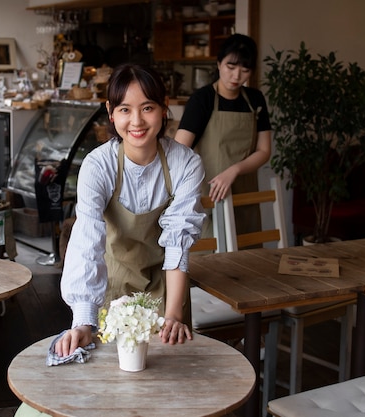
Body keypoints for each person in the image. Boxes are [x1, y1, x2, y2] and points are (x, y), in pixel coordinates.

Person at [54, 63, 206, 357]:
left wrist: (173, 313)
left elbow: (177, 242)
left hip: (166, 289)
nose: (136, 121)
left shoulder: (185, 163)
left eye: (147, 108)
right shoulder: (98, 166)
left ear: (164, 108)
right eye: (125, 109)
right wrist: (84, 322)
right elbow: (87, 240)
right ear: (110, 111)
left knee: (172, 383)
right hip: (111, 288)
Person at [175, 34, 271, 237]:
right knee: (210, 258)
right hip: (208, 194)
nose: (237, 76)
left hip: (245, 193)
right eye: (231, 67)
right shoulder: (202, 99)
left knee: (247, 256)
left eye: (244, 70)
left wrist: (234, 170)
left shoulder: (255, 99)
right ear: (219, 63)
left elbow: (264, 151)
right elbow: (179, 152)